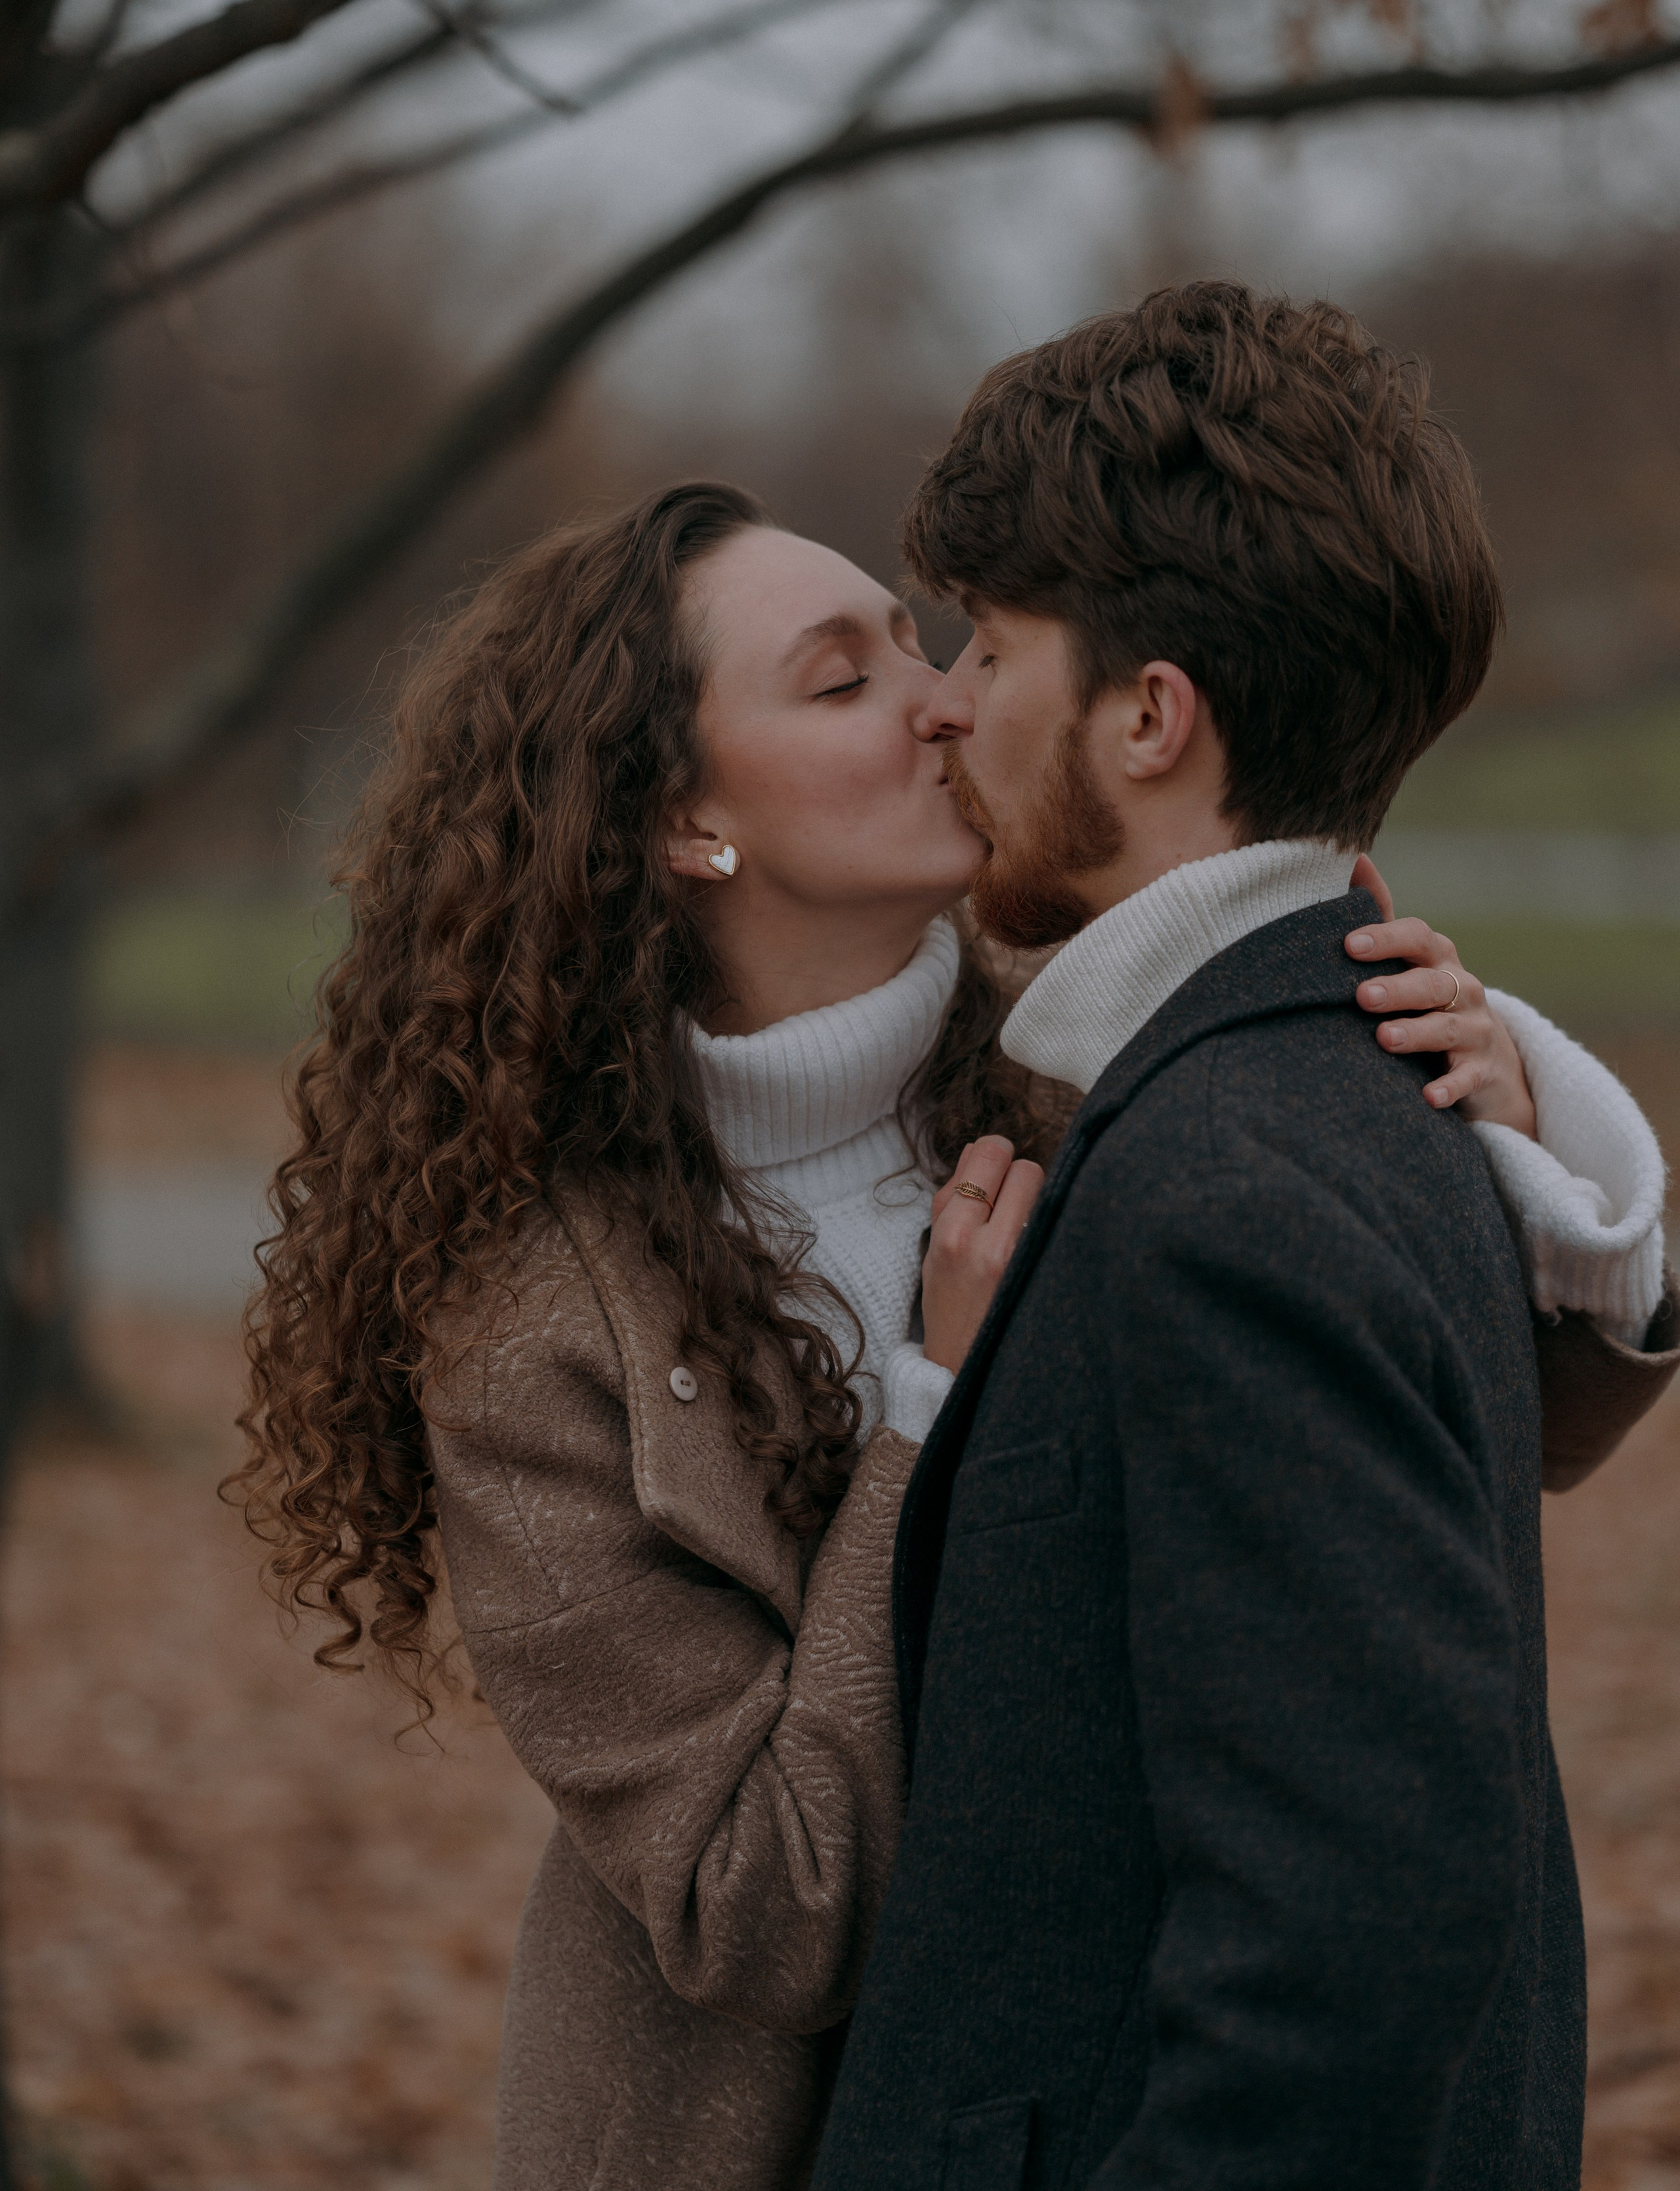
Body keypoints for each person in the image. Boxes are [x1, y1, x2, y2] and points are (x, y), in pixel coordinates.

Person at [230, 476, 1670, 2191]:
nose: (946, 699)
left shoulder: (1110, 1073)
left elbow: (1475, 1442)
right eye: (843, 681)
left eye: (927, 645)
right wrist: (930, 1412)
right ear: (684, 823)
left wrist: (1520, 1130)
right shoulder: (529, 1331)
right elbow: (765, 1908)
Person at [811, 285, 1675, 2191]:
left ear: (1147, 713)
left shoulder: (1231, 1188)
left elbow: (1359, 1936)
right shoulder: (1320, 1094)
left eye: (989, 639)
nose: (942, 695)